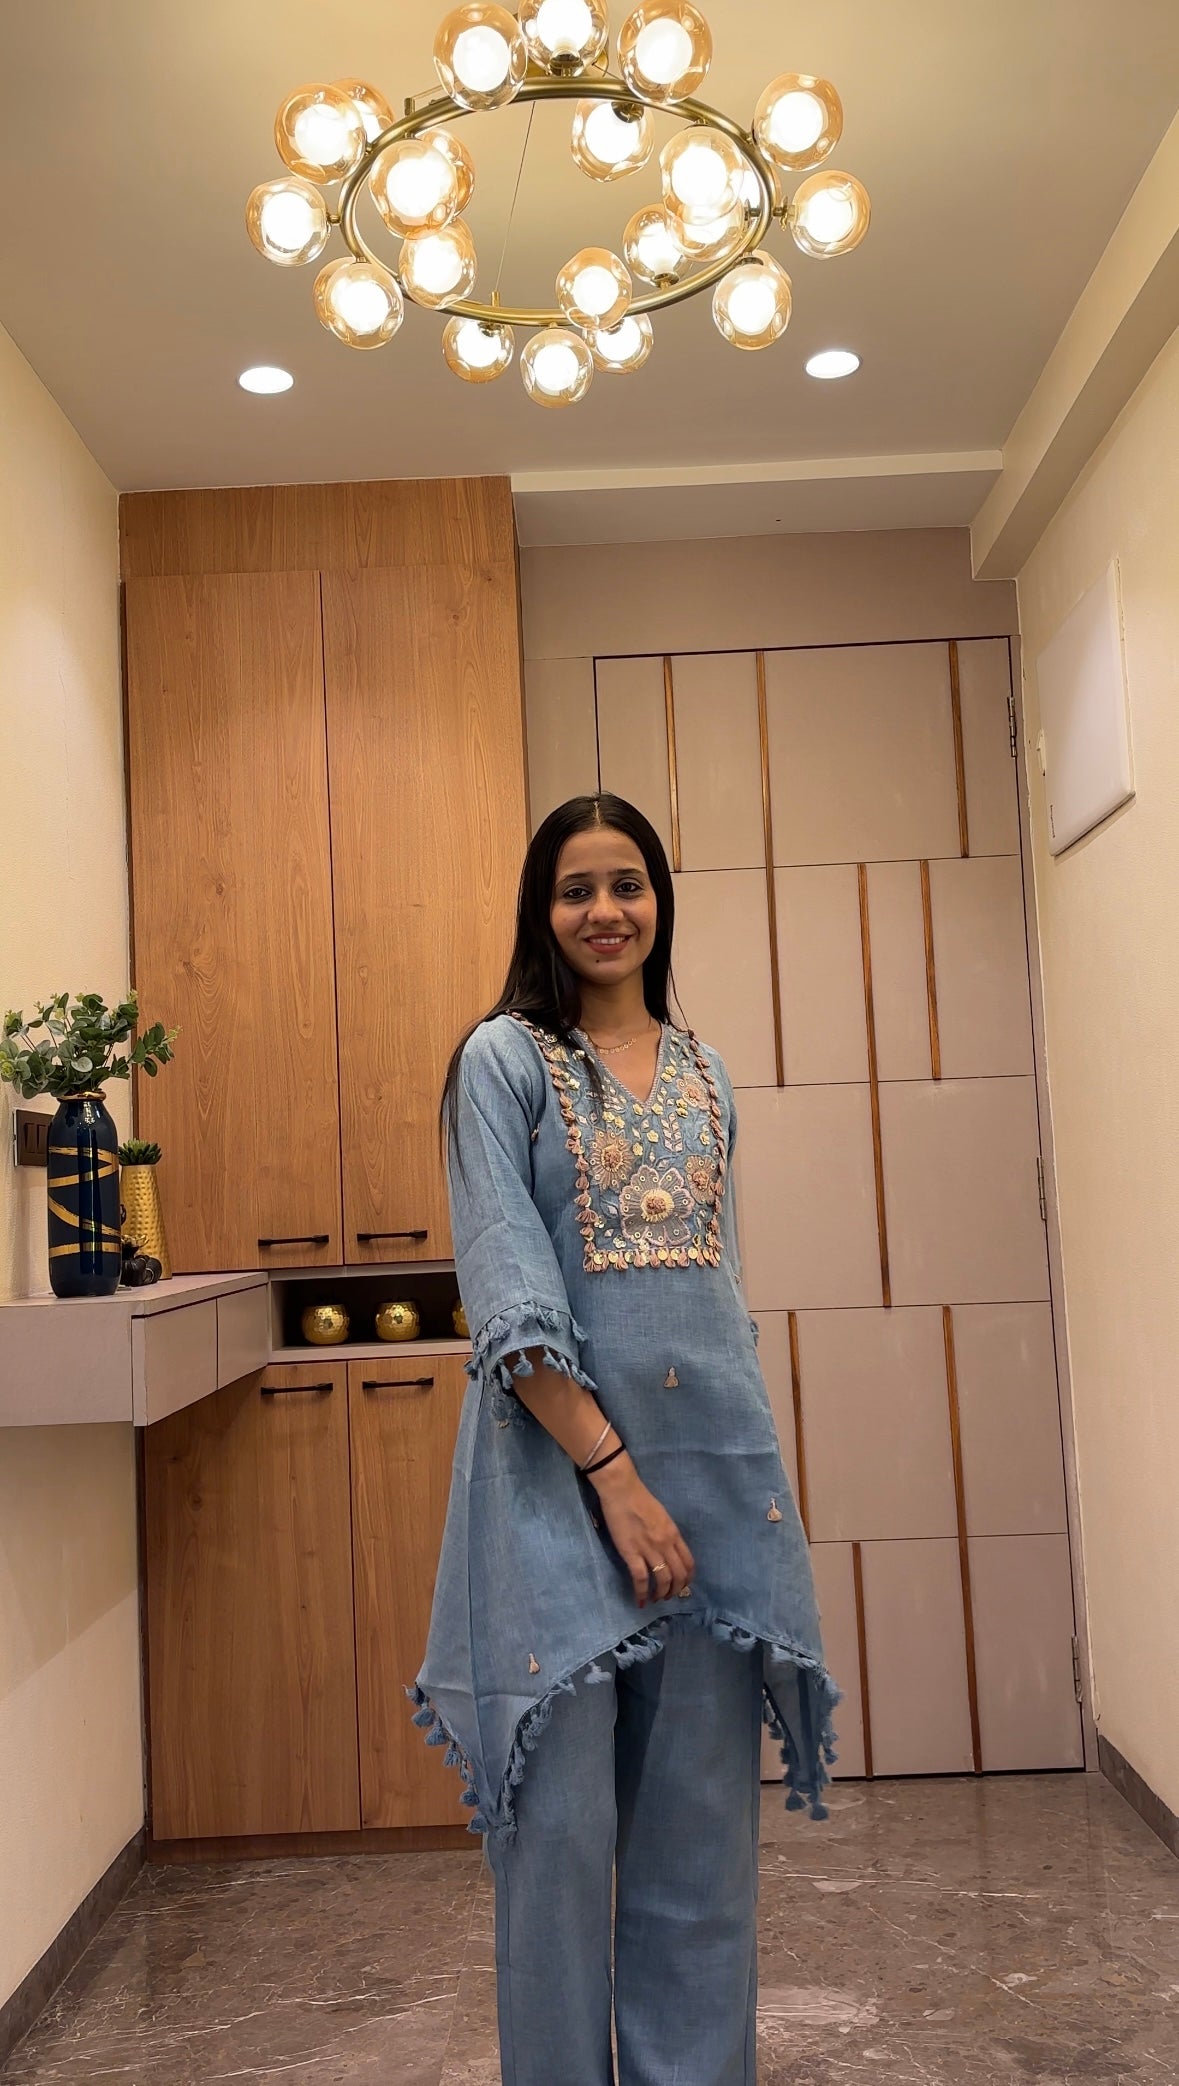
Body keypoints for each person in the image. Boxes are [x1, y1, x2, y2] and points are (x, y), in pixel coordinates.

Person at [407, 793, 839, 2086]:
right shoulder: (501, 1063)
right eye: (575, 888)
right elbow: (508, 1292)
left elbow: (718, 1297)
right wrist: (613, 1476)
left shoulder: (707, 1072)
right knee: (557, 1849)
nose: (604, 911)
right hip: (555, 1493)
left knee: (701, 1853)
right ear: (541, 910)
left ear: (660, 901)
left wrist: (731, 1493)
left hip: (712, 1497)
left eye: (627, 884)